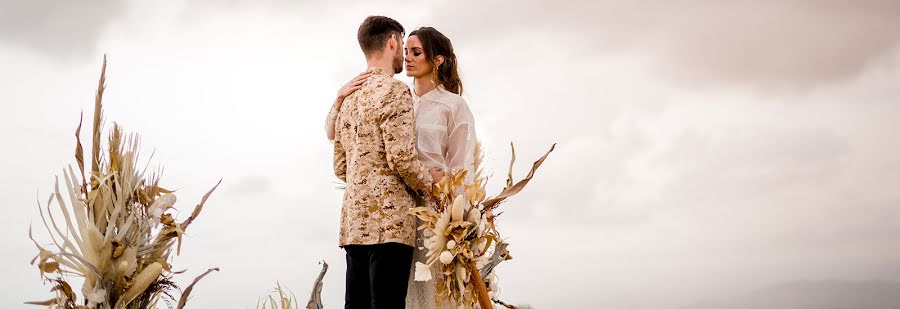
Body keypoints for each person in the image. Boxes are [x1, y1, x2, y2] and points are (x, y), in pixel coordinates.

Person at [327, 25, 477, 309]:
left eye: (416, 52)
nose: (407, 58)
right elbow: (343, 137)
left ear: (438, 59)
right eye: (406, 51)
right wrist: (338, 97)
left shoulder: (454, 106)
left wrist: (457, 219)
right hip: (396, 213)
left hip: (434, 213)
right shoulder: (393, 94)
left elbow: (461, 167)